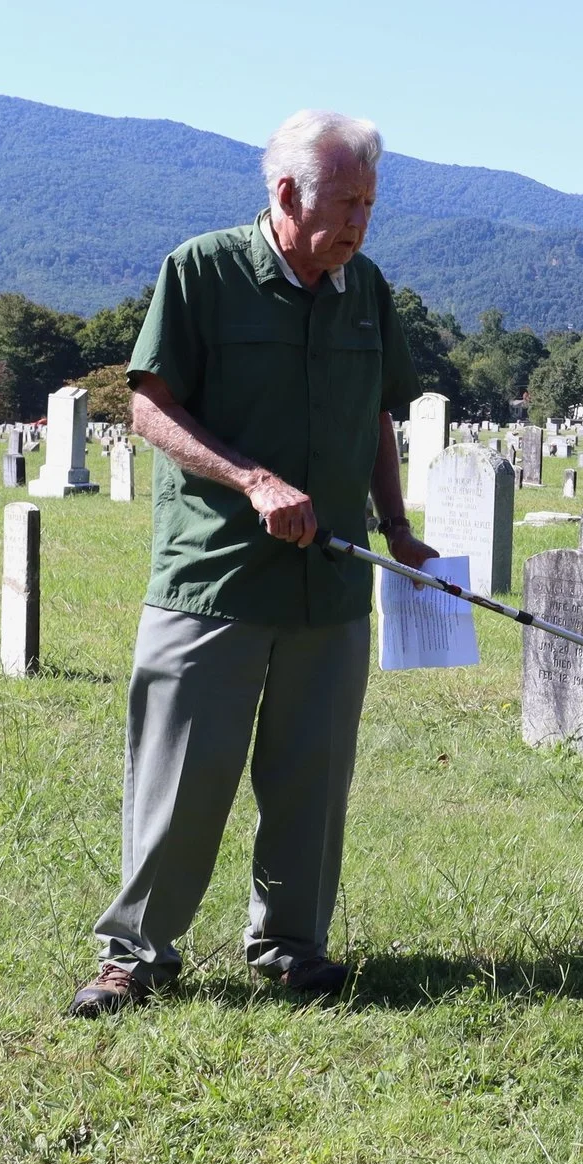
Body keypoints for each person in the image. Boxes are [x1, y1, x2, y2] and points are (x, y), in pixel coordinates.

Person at [69, 109, 438, 1018]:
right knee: (183, 774)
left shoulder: (367, 290)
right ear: (286, 194)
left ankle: (291, 947)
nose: (360, 221)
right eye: (346, 202)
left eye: (369, 203)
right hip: (218, 574)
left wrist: (397, 525)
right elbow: (148, 408)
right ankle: (137, 955)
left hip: (333, 579)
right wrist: (251, 479)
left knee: (312, 776)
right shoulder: (201, 272)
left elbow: (380, 417)